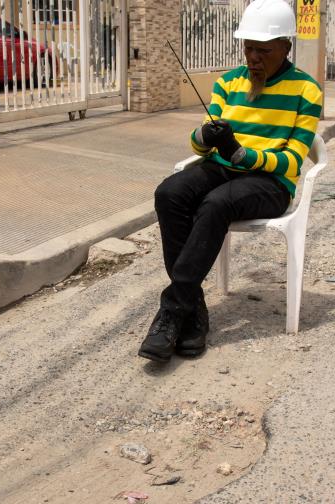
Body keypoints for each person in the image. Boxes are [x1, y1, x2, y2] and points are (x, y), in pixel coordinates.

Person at [138, 0, 323, 362]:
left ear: (286, 45)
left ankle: (173, 313)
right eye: (248, 49)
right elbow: (197, 145)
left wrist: (242, 154)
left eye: (263, 51)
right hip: (223, 167)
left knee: (217, 203)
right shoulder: (228, 83)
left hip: (270, 183)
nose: (253, 58)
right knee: (170, 193)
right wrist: (207, 136)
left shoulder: (307, 91)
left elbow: (292, 161)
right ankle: (194, 312)